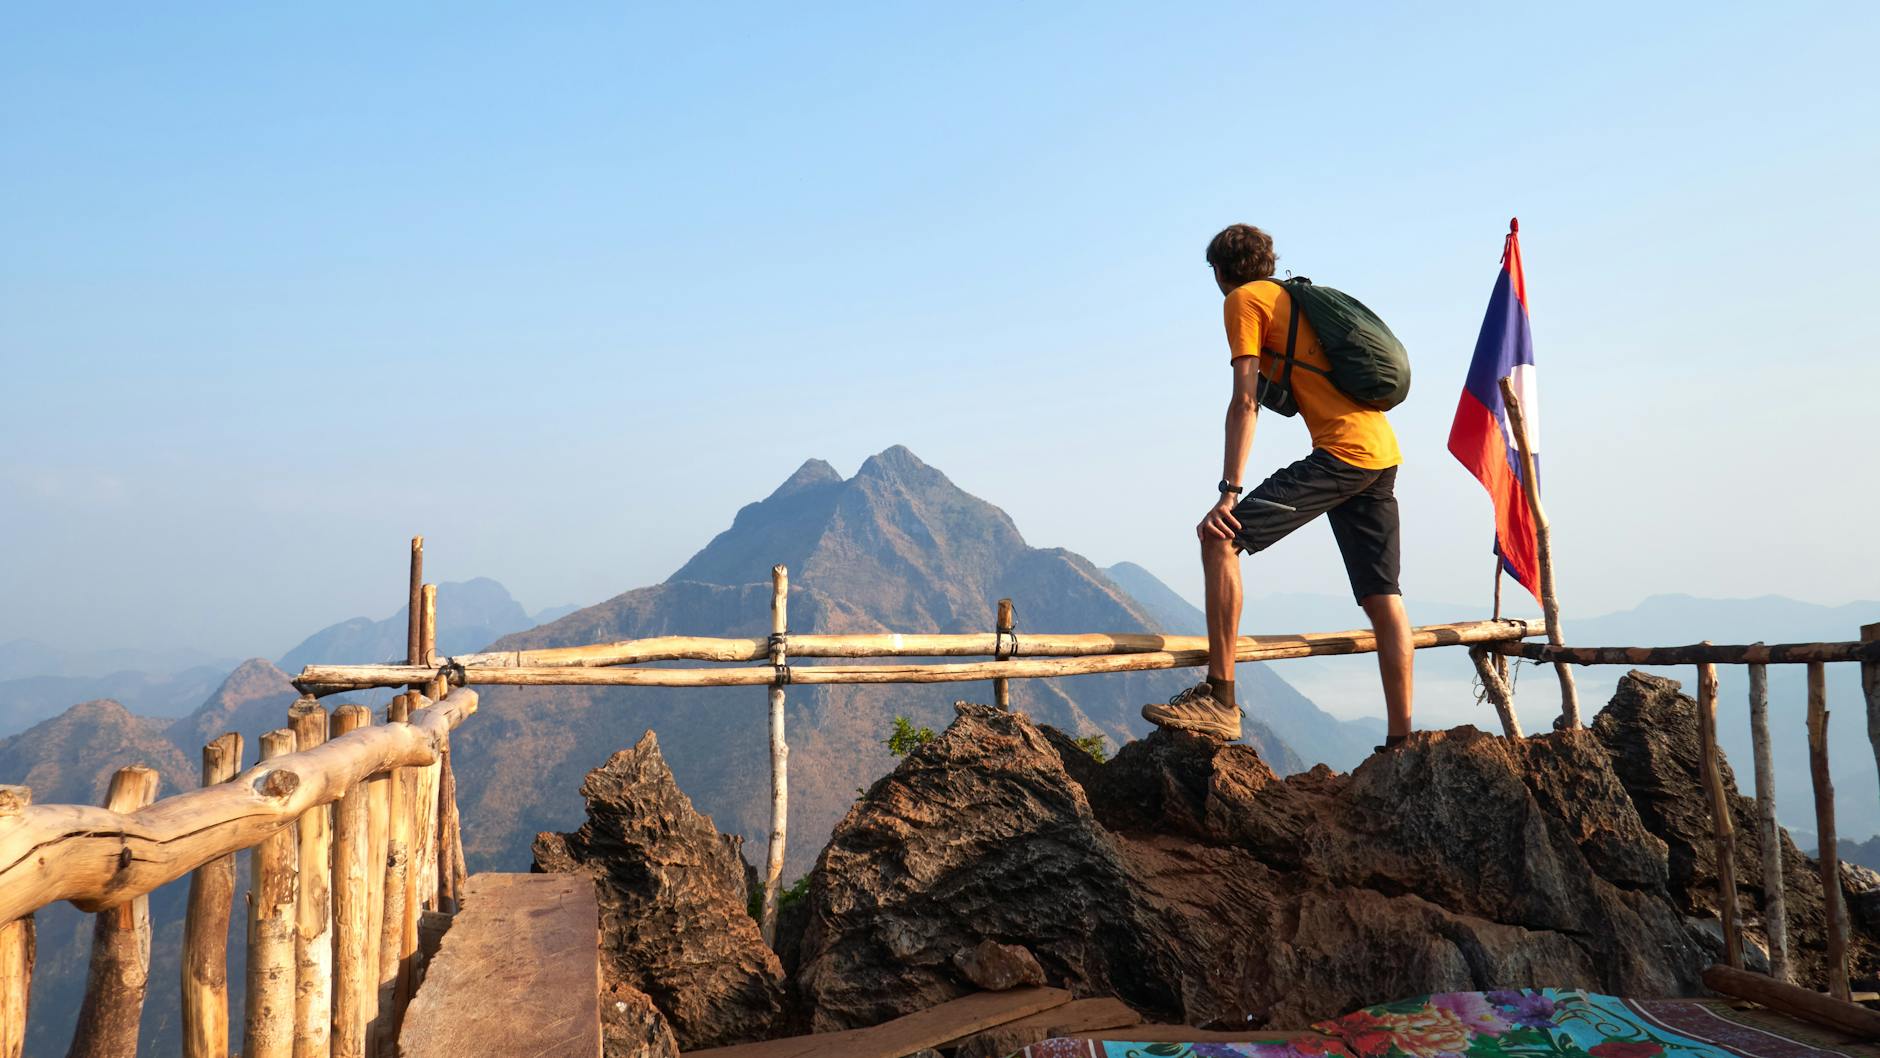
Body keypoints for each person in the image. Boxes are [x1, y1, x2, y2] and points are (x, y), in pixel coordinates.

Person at [1142, 224, 1413, 749]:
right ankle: (1402, 742)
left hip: (1342, 455)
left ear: (1220, 272)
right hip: (1382, 455)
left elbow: (1246, 401)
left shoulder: (1244, 301)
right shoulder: (1295, 298)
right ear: (1268, 261)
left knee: (1219, 537)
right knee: (1384, 598)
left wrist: (1229, 491)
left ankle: (1220, 701)